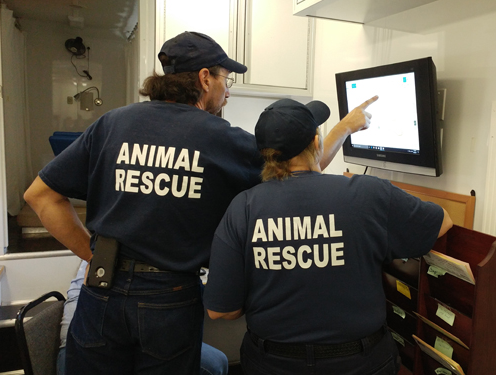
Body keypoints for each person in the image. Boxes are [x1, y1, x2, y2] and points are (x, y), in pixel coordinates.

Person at [24, 29, 377, 374]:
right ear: (205, 79)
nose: (227, 92)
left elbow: (40, 196)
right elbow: (301, 167)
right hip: (169, 298)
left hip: (100, 293)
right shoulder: (222, 140)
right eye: (227, 80)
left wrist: (96, 257)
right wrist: (344, 127)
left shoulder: (112, 124)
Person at [203, 98, 454, 375]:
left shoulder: (244, 207)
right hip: (360, 363)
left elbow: (220, 311)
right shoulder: (367, 195)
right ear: (316, 141)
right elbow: (442, 222)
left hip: (273, 362)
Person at [56, 260, 228, 375]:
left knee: (216, 361)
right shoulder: (104, 250)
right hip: (83, 339)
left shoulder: (101, 246)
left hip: (92, 323)